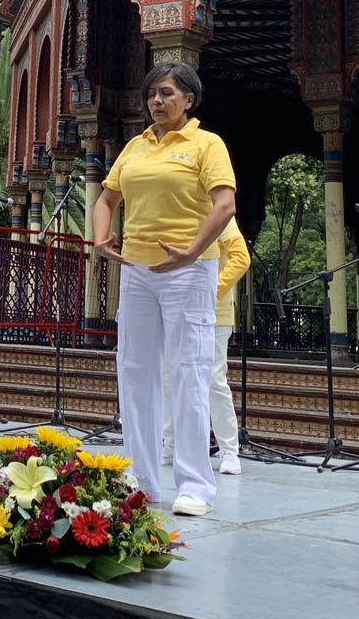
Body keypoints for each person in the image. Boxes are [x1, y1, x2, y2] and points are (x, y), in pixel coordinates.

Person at [93, 62, 236, 519]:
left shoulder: (206, 144)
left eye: (167, 93)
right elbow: (106, 199)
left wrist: (193, 251)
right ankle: (141, 480)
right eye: (152, 93)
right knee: (135, 371)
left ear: (189, 99)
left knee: (189, 371)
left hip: (188, 271)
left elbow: (225, 204)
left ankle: (195, 485)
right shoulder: (135, 146)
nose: (157, 101)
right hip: (136, 269)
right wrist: (100, 238)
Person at [162, 217, 250, 476]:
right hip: (177, 309)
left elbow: (241, 257)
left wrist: (213, 290)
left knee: (213, 380)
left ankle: (229, 450)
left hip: (214, 313)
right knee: (168, 376)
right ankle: (170, 443)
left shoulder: (220, 215)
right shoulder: (179, 213)